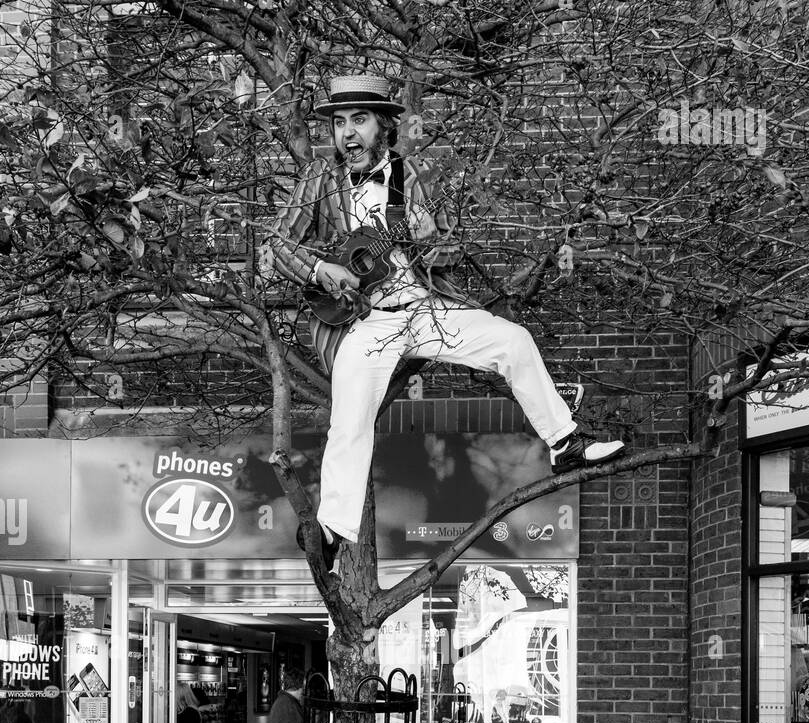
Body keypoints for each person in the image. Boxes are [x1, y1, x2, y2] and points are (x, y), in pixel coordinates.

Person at [265, 72, 625, 571]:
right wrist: (322, 268)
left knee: (513, 340)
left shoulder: (412, 176)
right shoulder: (319, 179)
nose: (348, 134)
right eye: (340, 122)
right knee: (349, 418)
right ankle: (333, 529)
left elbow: (443, 252)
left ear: (384, 126)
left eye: (360, 120)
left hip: (423, 309)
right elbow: (275, 245)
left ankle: (564, 442)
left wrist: (430, 235)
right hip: (364, 322)